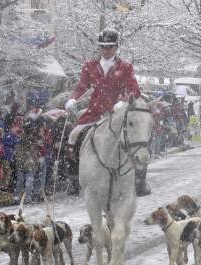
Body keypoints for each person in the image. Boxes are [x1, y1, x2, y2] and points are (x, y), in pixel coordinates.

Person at [64, 28, 150, 196]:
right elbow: (82, 87)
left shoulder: (125, 67)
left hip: (116, 114)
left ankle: (140, 180)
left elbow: (134, 91)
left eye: (110, 47)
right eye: (103, 46)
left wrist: (122, 102)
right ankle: (74, 178)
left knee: (136, 138)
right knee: (73, 135)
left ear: (116, 47)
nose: (106, 50)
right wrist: (73, 99)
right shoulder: (90, 66)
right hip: (95, 112)